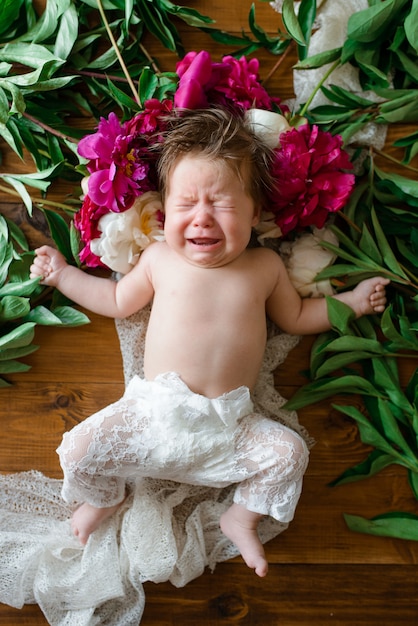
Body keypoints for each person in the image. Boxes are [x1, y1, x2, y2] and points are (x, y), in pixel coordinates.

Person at [30, 108, 388, 578]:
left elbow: (298, 318)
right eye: (186, 204)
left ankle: (240, 517)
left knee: (289, 453)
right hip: (152, 418)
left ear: (255, 213)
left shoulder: (264, 269)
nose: (202, 219)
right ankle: (106, 496)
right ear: (163, 211)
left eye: (221, 204)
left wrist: (353, 303)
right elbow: (116, 299)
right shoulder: (159, 259)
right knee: (79, 449)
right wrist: (63, 276)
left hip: (230, 430)